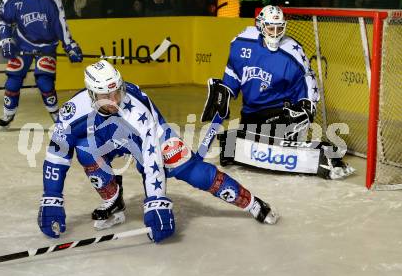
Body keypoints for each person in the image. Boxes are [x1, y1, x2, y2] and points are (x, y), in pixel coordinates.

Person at [38, 60, 279, 243]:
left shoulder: (137, 110)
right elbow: (57, 152)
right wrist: (52, 199)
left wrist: (156, 203)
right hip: (103, 136)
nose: (114, 99)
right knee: (84, 150)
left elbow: (152, 160)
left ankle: (252, 203)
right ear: (91, 95)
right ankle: (113, 201)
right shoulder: (73, 112)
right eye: (105, 95)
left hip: (147, 134)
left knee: (192, 171)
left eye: (117, 92)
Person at [202, 5, 354, 179]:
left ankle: (298, 144)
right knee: (234, 146)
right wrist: (225, 91)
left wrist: (306, 106)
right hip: (250, 113)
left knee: (278, 134)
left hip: (279, 112)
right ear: (260, 25)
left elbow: (307, 78)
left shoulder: (292, 51)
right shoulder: (243, 42)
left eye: (279, 28)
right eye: (270, 27)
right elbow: (234, 72)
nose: (275, 32)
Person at [0, 0, 83, 127]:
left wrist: (69, 46)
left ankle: (55, 113)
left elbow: (60, 24)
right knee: (12, 82)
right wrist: (6, 40)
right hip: (22, 44)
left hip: (47, 47)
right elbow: (3, 20)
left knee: (45, 82)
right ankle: (8, 113)